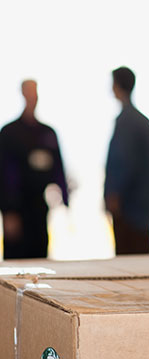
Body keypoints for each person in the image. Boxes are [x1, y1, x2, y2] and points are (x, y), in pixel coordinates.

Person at [0, 80, 69, 259]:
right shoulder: (9, 133)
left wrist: (66, 200)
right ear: (22, 94)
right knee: (16, 262)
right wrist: (8, 211)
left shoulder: (47, 133)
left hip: (39, 208)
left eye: (35, 92)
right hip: (17, 209)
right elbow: (3, 174)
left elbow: (58, 168)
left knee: (40, 258)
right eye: (29, 92)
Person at [104, 66, 149, 255]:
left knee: (129, 263)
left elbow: (123, 163)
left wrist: (113, 195)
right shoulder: (142, 122)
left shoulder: (127, 122)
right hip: (142, 207)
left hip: (130, 210)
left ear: (117, 86)